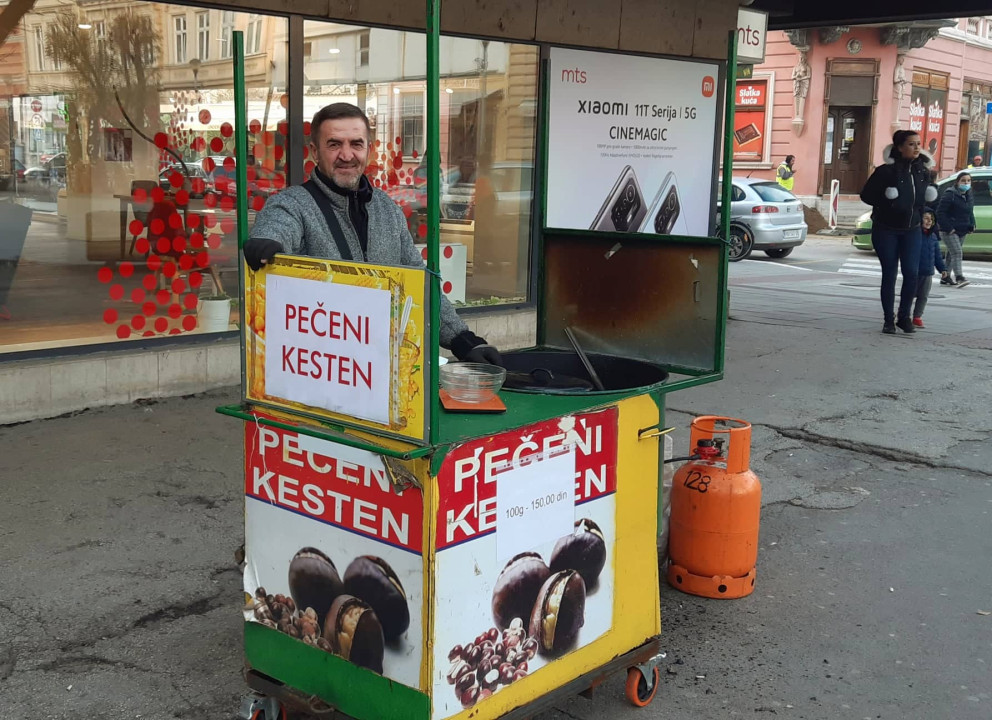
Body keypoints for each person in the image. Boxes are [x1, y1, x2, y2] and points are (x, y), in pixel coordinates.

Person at [242, 102, 501, 365]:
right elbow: (279, 222)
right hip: (319, 368)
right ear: (315, 151)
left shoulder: (387, 209)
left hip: (378, 367)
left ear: (369, 149)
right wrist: (268, 239)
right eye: (334, 144)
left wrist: (463, 341)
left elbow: (419, 283)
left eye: (356, 144)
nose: (346, 155)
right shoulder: (294, 203)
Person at [859, 129, 937, 334]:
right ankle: (888, 320)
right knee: (890, 274)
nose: (917, 147)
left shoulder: (922, 171)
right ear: (900, 147)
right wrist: (886, 199)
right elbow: (866, 195)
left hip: (912, 229)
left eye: (919, 143)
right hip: (887, 229)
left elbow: (923, 200)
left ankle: (904, 317)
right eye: (912, 144)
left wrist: (926, 219)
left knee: (912, 273)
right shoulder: (886, 171)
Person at [936, 172, 976, 287]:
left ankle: (945, 277)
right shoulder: (950, 194)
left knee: (951, 254)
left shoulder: (969, 194)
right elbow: (940, 212)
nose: (966, 183)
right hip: (949, 230)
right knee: (957, 252)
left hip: (962, 229)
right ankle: (959, 277)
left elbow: (969, 211)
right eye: (963, 181)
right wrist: (949, 228)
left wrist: (971, 224)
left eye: (968, 181)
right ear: (957, 182)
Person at [911, 209, 947, 328]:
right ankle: (904, 314)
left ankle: (917, 317)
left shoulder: (933, 237)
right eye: (926, 218)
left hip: (927, 272)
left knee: (923, 296)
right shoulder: (915, 234)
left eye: (931, 219)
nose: (929, 221)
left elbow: (937, 255)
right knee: (909, 294)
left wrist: (942, 268)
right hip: (914, 271)